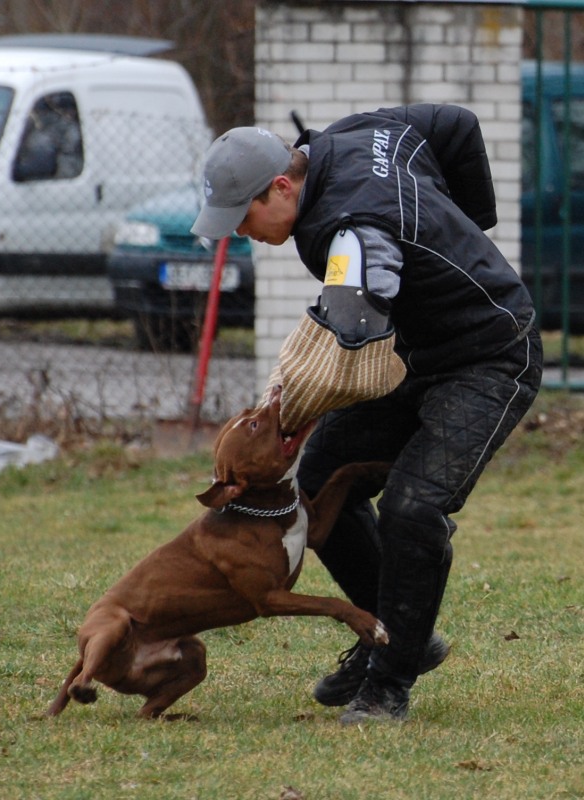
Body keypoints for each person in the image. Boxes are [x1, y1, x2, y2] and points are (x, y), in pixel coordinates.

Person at [191, 108, 543, 725]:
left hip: (490, 356)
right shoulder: (354, 135)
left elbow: (355, 331)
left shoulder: (350, 229)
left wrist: (461, 227)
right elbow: (455, 125)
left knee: (413, 507)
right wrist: (464, 223)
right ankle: (395, 632)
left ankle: (389, 684)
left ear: (281, 186)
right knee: (319, 478)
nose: (241, 233)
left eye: (243, 218)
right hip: (414, 353)